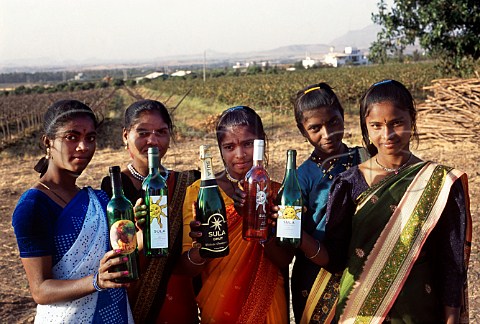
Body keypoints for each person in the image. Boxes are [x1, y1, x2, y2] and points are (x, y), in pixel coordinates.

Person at [310, 80, 471, 323]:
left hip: (420, 312)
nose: (387, 135)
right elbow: (336, 258)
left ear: (412, 119)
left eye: (397, 123)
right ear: (366, 127)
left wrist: (451, 319)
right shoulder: (349, 183)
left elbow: (451, 263)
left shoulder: (439, 183)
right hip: (360, 312)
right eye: (376, 126)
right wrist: (295, 236)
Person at [12, 99, 133, 323]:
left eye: (91, 138)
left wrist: (140, 232)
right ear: (48, 142)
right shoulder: (34, 206)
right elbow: (40, 290)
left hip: (116, 314)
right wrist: (96, 281)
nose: (83, 146)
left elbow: (118, 261)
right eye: (72, 137)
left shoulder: (98, 199)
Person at [181, 106, 292, 323]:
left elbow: (285, 259)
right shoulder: (200, 193)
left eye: (248, 144)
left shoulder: (277, 192)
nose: (240, 155)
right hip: (220, 307)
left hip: (267, 302)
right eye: (229, 147)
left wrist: (258, 222)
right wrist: (204, 246)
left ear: (261, 144)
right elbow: (186, 267)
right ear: (220, 149)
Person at [100, 99, 200, 323]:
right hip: (133, 302)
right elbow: (115, 255)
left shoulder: (188, 183)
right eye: (143, 132)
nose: (153, 141)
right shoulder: (114, 189)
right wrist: (138, 236)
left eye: (161, 132)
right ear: (125, 136)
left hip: (181, 302)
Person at [289, 82, 367, 323]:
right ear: (303, 132)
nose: (327, 133)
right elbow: (292, 231)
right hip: (315, 277)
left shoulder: (366, 158)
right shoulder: (301, 177)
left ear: (343, 115)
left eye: (333, 122)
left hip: (362, 270)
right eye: (315, 128)